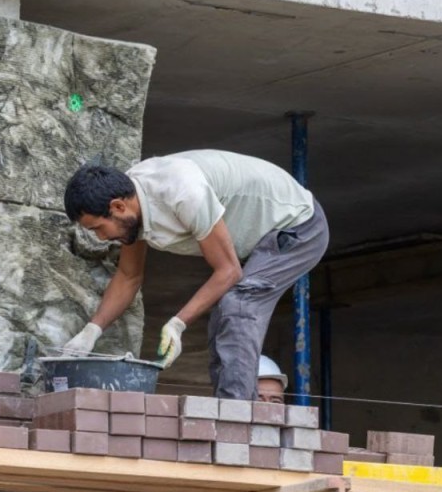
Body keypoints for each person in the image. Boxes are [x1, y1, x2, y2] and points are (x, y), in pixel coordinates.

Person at [61, 149, 328, 400]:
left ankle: (239, 419)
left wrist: (178, 324)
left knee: (238, 305)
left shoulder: (184, 193)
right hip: (260, 233)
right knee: (222, 317)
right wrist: (91, 330)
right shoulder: (132, 206)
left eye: (98, 228)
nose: (101, 237)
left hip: (299, 226)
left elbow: (229, 271)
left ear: (118, 207)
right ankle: (225, 409)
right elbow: (129, 277)